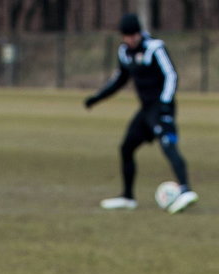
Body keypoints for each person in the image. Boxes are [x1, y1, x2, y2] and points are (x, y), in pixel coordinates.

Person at [84, 13, 198, 213]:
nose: (131, 39)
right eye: (127, 36)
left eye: (134, 35)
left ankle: (186, 189)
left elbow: (171, 75)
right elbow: (120, 79)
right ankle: (128, 197)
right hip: (145, 110)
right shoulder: (124, 52)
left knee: (168, 146)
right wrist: (97, 97)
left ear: (139, 33)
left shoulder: (155, 48)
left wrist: (165, 102)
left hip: (161, 107)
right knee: (126, 148)